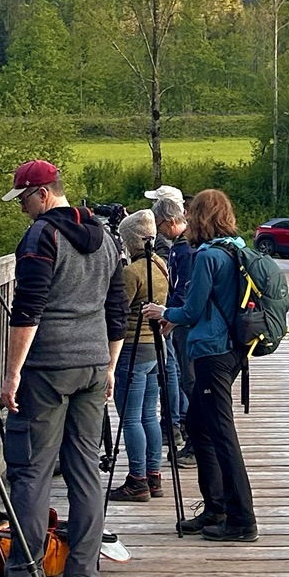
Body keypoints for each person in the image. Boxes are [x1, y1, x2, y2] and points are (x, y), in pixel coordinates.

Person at [0, 159, 126, 577]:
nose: (23, 210)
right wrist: (109, 365)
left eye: (24, 200)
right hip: (91, 366)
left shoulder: (42, 236)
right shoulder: (106, 236)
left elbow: (28, 309)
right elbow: (116, 306)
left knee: (31, 471)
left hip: (47, 368)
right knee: (86, 471)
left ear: (43, 194)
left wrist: (12, 374)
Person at [143, 187, 257, 542]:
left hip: (212, 352)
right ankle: (216, 507)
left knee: (221, 434)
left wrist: (163, 312)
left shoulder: (208, 256)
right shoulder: (238, 249)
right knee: (199, 425)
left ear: (200, 217)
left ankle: (241, 519)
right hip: (235, 349)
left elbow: (191, 310)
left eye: (192, 212)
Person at [111, 209, 169, 500]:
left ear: (130, 241)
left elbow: (118, 313)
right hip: (155, 348)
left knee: (130, 417)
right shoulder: (160, 266)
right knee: (149, 414)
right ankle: (154, 475)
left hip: (132, 348)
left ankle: (137, 480)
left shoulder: (130, 273)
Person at [147, 185, 193, 449]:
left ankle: (177, 423)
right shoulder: (179, 246)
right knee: (178, 371)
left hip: (182, 321)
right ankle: (180, 422)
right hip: (176, 317)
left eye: (161, 224)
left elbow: (184, 291)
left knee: (179, 372)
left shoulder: (185, 249)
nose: (159, 229)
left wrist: (170, 318)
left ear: (173, 220)